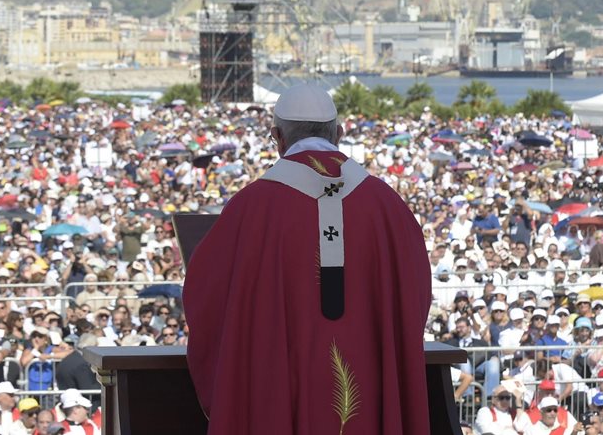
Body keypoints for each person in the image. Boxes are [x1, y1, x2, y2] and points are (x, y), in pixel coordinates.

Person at [183, 85, 432, 434]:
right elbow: (415, 295)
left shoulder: (250, 208)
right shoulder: (388, 207)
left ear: (276, 137)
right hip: (372, 389)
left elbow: (205, 298)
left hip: (281, 392)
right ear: (340, 134)